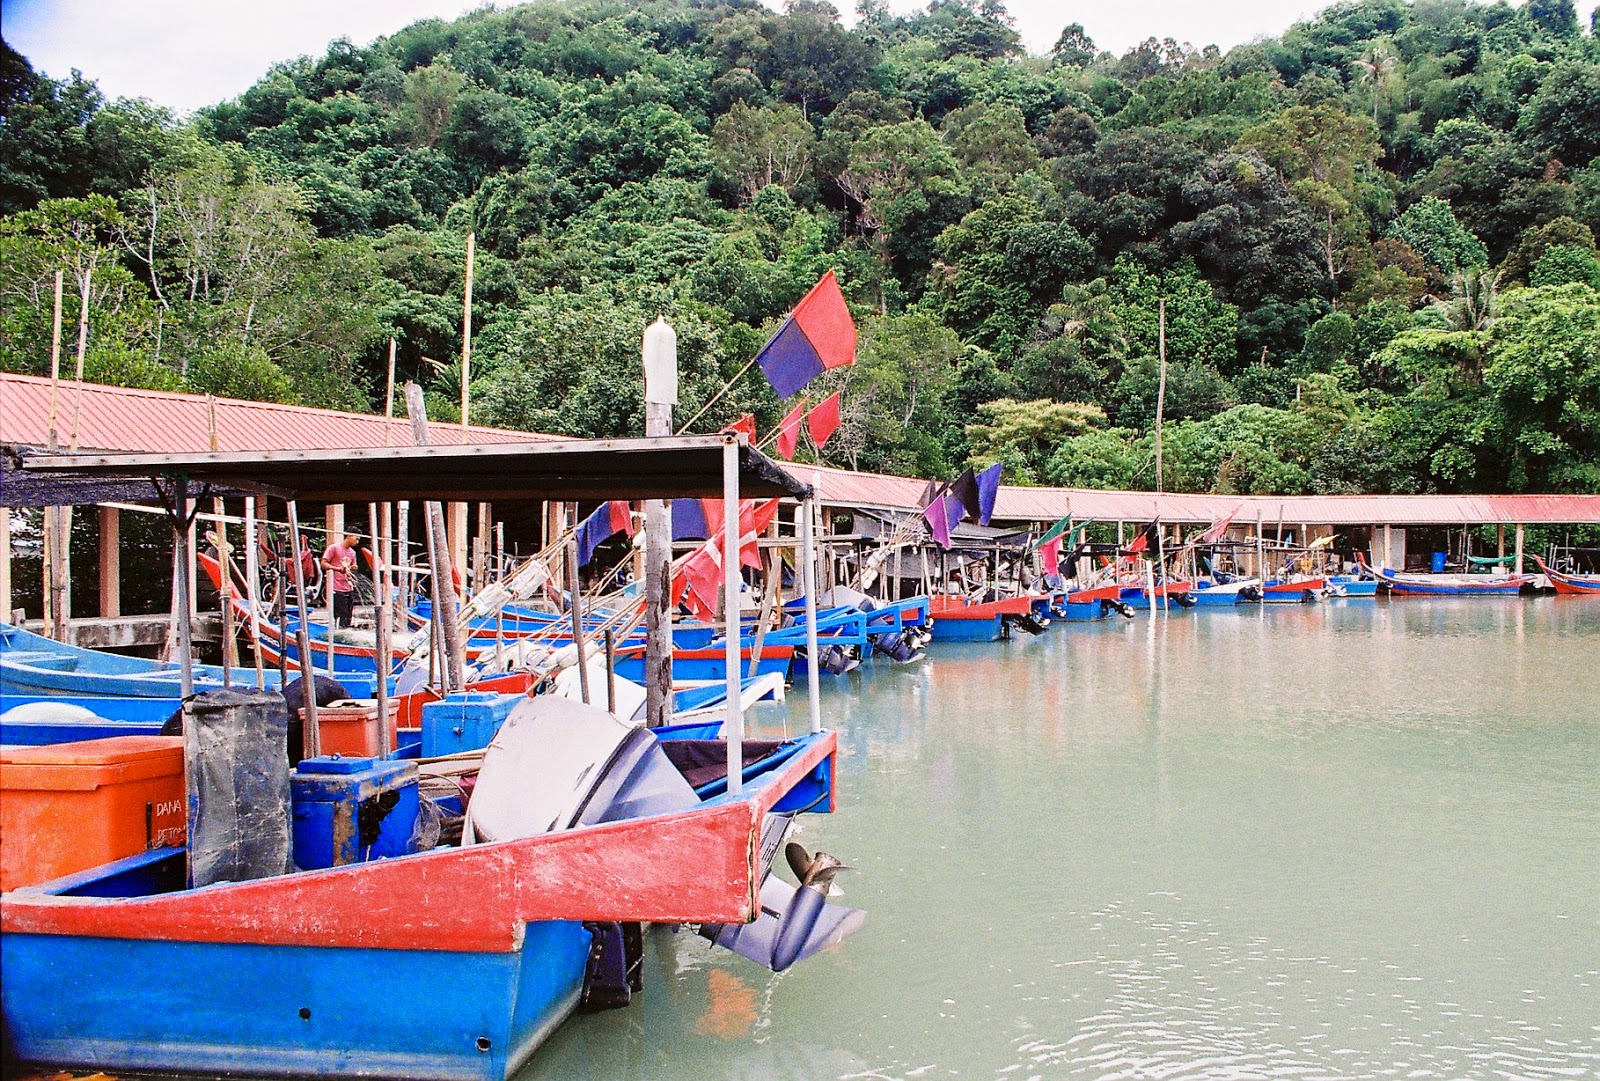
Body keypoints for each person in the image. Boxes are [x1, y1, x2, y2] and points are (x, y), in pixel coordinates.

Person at [321, 532, 360, 628]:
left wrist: (354, 567)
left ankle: (345, 633)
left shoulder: (352, 552)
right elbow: (323, 563)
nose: (357, 542)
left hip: (348, 586)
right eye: (356, 538)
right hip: (336, 586)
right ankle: (337, 634)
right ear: (349, 536)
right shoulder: (334, 548)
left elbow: (352, 567)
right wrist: (337, 569)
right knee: (340, 613)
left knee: (348, 615)